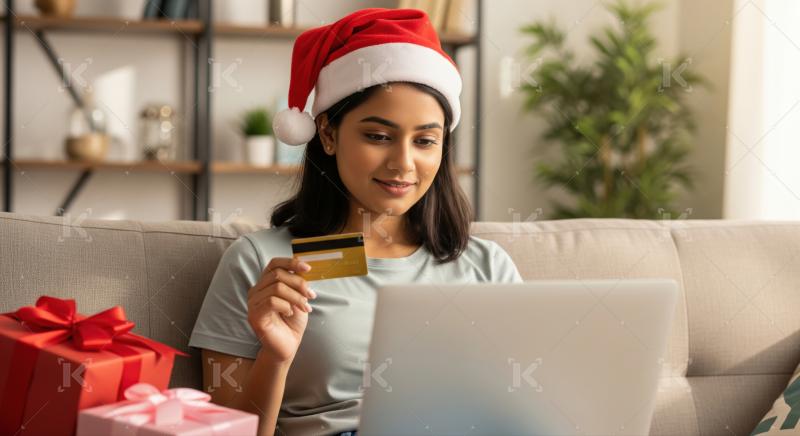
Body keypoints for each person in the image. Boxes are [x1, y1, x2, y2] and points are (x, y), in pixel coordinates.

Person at [188, 8, 523, 436]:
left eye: (424, 141)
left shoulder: (488, 266)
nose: (403, 163)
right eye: (378, 136)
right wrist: (276, 357)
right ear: (327, 133)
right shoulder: (261, 263)